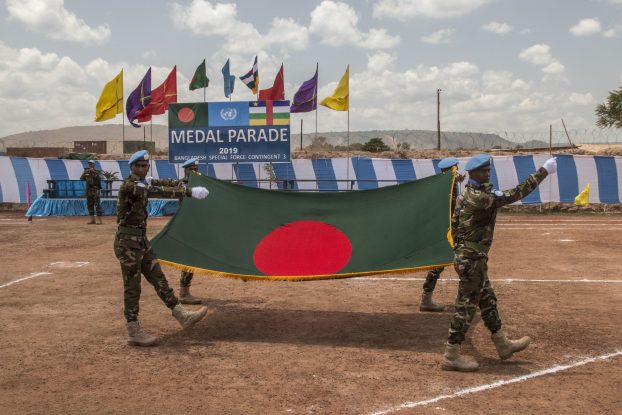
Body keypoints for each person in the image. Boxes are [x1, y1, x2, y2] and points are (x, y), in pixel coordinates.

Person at [441, 154, 557, 372]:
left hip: (471, 258)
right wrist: (543, 172)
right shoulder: (480, 197)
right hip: (472, 260)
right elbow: (516, 193)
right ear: (473, 173)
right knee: (465, 308)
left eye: (488, 171)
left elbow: (455, 227)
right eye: (483, 171)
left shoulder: (467, 194)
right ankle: (451, 355)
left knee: (488, 300)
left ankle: (502, 343)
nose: (487, 174)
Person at [114, 150, 211, 347]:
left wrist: (182, 184)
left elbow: (162, 184)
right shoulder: (130, 186)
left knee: (159, 278)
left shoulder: (143, 182)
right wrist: (190, 192)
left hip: (140, 241)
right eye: (138, 166)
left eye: (144, 166)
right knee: (132, 288)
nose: (141, 169)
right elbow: (155, 191)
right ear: (131, 167)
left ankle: (181, 315)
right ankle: (133, 330)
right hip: (127, 243)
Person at [420, 157, 464, 312]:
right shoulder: (445, 187)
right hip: (448, 233)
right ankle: (463, 300)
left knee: (447, 264)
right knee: (460, 264)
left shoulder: (450, 186)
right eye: (455, 168)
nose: (457, 171)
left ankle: (427, 299)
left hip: (452, 231)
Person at [178, 158, 203, 305]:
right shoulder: (183, 185)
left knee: (192, 259)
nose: (195, 172)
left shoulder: (198, 184)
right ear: (186, 170)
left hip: (196, 226)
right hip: (187, 227)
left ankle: (184, 291)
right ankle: (184, 292)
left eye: (197, 169)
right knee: (189, 259)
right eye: (192, 169)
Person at [80, 160, 103, 224]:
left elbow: (99, 179)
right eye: (89, 164)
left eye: (91, 164)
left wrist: (93, 173)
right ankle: (92, 220)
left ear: (94, 165)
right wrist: (86, 173)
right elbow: (81, 178)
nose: (90, 165)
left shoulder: (97, 172)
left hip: (95, 191)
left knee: (97, 205)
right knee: (90, 205)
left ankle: (100, 221)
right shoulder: (86, 172)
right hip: (89, 191)